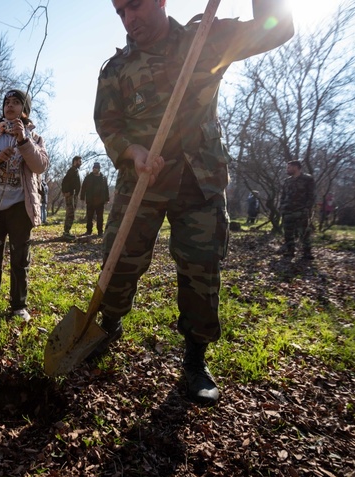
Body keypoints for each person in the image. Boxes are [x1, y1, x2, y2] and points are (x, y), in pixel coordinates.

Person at [92, 0, 294, 405]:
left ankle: (195, 360)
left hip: (199, 180)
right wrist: (134, 152)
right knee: (120, 263)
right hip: (142, 182)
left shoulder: (206, 39)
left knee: (202, 269)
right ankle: (108, 324)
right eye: (120, 12)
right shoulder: (116, 69)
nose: (129, 19)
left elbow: (278, 28)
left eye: (135, 6)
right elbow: (108, 124)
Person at [0, 89, 49, 321]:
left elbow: (40, 166)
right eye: (7, 102)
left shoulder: (34, 138)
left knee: (19, 259)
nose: (10, 106)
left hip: (20, 207)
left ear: (25, 109)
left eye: (16, 102)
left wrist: (23, 141)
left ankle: (18, 306)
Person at [279, 160, 315, 259]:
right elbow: (283, 195)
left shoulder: (307, 179)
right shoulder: (287, 181)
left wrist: (307, 208)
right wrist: (281, 207)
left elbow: (311, 195)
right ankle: (290, 251)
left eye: (289, 167)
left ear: (296, 167)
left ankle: (307, 252)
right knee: (288, 233)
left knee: (304, 232)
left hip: (301, 210)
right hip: (287, 211)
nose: (287, 169)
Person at [80, 162, 110, 236]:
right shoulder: (88, 177)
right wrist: (82, 197)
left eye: (96, 168)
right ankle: (88, 231)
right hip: (90, 200)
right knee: (89, 217)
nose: (94, 169)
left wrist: (107, 199)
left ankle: (100, 231)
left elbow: (106, 189)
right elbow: (83, 187)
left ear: (99, 169)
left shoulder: (103, 178)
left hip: (100, 201)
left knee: (100, 218)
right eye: (93, 168)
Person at [61, 156, 82, 238]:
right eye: (79, 161)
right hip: (70, 195)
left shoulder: (75, 171)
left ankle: (67, 231)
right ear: (75, 162)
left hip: (73, 195)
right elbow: (64, 182)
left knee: (71, 213)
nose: (81, 163)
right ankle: (66, 232)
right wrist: (66, 192)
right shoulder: (71, 171)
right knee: (70, 213)